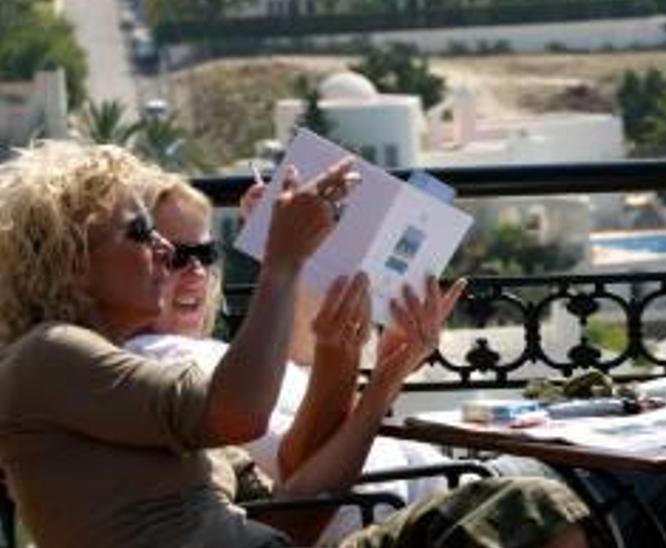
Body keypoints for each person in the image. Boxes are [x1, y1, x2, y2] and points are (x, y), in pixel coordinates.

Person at [0, 141, 592, 548]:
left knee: (529, 508)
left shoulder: (107, 374)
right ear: (70, 261)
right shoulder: (49, 355)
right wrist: (282, 262)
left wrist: (381, 376)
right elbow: (238, 411)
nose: (164, 250)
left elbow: (299, 507)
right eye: (139, 233)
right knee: (538, 508)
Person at [125, 179, 455, 542]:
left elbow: (324, 418)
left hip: (418, 494)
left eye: (205, 255)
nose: (197, 272)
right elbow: (298, 463)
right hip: (401, 516)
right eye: (174, 256)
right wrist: (381, 380)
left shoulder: (198, 355)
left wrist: (387, 371)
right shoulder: (166, 363)